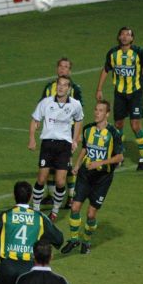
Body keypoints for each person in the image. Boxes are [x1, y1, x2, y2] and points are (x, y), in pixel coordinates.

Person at [61, 99, 123, 256]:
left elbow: (119, 157)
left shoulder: (113, 133)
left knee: (90, 214)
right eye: (96, 109)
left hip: (103, 179)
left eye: (100, 110)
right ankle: (74, 239)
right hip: (85, 175)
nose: (96, 112)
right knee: (75, 207)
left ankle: (86, 241)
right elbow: (85, 149)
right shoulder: (88, 129)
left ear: (107, 114)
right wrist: (76, 165)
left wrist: (100, 163)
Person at [96, 27, 143, 171]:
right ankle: (119, 156)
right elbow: (106, 69)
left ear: (132, 39)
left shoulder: (139, 52)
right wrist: (99, 88)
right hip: (119, 94)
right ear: (119, 37)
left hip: (135, 93)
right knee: (118, 125)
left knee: (135, 125)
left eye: (128, 35)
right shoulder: (113, 53)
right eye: (122, 34)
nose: (124, 37)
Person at [29, 75, 84, 221]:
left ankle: (54, 211)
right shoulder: (46, 103)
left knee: (60, 181)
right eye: (59, 84)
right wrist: (32, 139)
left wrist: (75, 140)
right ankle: (35, 209)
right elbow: (35, 119)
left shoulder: (75, 104)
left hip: (63, 146)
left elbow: (79, 120)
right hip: (47, 144)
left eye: (64, 85)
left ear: (69, 88)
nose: (61, 87)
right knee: (41, 178)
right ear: (56, 86)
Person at [39, 57, 83, 206]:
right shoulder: (49, 87)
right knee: (51, 164)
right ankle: (51, 195)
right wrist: (38, 121)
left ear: (70, 71)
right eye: (61, 66)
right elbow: (42, 105)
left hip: (67, 130)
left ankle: (71, 196)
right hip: (50, 129)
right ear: (57, 69)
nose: (63, 69)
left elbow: (79, 113)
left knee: (67, 165)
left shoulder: (75, 89)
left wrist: (76, 137)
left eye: (66, 67)